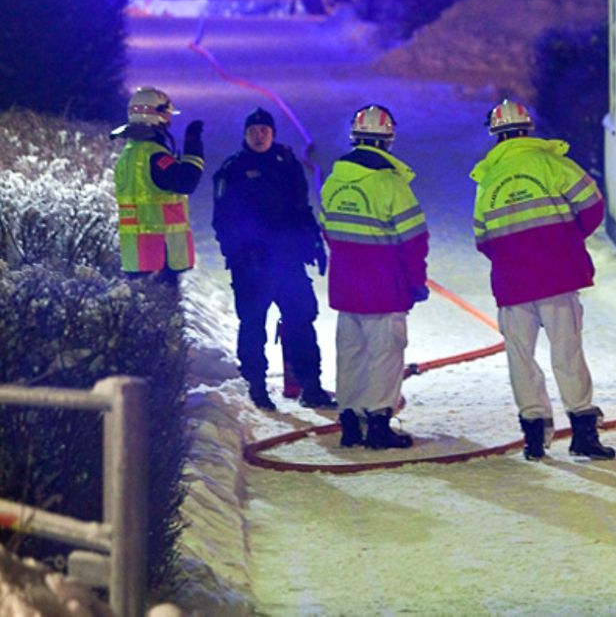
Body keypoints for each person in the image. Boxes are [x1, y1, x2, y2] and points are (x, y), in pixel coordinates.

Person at [470, 99, 615, 461]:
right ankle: (583, 434)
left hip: (512, 285)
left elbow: (482, 238)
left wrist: (513, 257)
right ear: (527, 129)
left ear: (496, 135)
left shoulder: (487, 178)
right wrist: (567, 240)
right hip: (558, 278)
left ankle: (534, 438)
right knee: (567, 353)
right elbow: (594, 205)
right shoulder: (554, 164)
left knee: (521, 358)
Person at [319, 104, 428, 450]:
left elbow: (327, 229)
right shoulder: (390, 183)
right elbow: (414, 239)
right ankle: (379, 423)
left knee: (350, 352)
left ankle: (350, 423)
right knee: (386, 353)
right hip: (384, 286)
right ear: (388, 140)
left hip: (345, 285)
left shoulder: (335, 179)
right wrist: (416, 280)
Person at [212, 108, 336, 412]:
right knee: (253, 324)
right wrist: (238, 253)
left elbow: (301, 207)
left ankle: (311, 385)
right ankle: (256, 386)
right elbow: (223, 221)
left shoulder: (287, 163)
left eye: (264, 130)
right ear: (245, 135)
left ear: (273, 133)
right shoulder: (233, 169)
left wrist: (314, 243)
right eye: (253, 130)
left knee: (302, 320)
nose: (259, 135)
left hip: (288, 261)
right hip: (252, 266)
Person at [111, 86, 204, 284]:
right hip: (161, 257)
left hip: (137, 257)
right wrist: (193, 148)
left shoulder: (128, 155)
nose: (170, 122)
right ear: (158, 115)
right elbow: (186, 182)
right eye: (168, 115)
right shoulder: (155, 155)